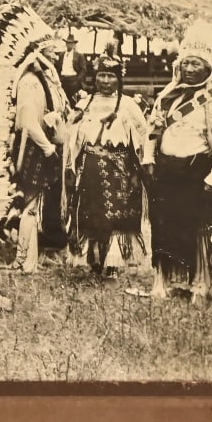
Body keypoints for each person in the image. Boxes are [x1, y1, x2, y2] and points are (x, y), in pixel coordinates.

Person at [0, 1, 70, 272]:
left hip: (45, 147)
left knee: (33, 202)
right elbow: (28, 122)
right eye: (50, 48)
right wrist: (48, 149)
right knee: (28, 203)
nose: (56, 52)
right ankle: (24, 259)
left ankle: (22, 252)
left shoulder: (47, 78)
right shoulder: (30, 81)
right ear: (38, 51)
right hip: (36, 149)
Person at [142, 19, 212, 304]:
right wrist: (148, 158)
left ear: (209, 68)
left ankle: (201, 282)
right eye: (186, 63)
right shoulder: (167, 96)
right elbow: (152, 130)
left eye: (196, 64)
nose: (190, 69)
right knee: (165, 226)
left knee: (202, 229)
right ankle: (165, 280)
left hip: (199, 173)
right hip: (167, 171)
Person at [63, 55, 149, 278]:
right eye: (101, 75)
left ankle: (113, 264)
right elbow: (71, 134)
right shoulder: (85, 103)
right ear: (95, 77)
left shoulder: (128, 105)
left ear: (119, 79)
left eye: (111, 76)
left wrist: (140, 164)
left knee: (115, 215)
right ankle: (94, 260)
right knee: (91, 213)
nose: (105, 81)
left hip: (119, 169)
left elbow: (143, 133)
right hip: (90, 168)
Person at [57, 34, 88, 105]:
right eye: (68, 43)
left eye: (71, 43)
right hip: (63, 80)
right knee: (63, 99)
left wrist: (77, 80)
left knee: (73, 100)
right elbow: (58, 67)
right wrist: (59, 78)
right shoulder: (61, 55)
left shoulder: (79, 55)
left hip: (73, 80)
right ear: (66, 44)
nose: (69, 45)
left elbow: (83, 69)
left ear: (74, 44)